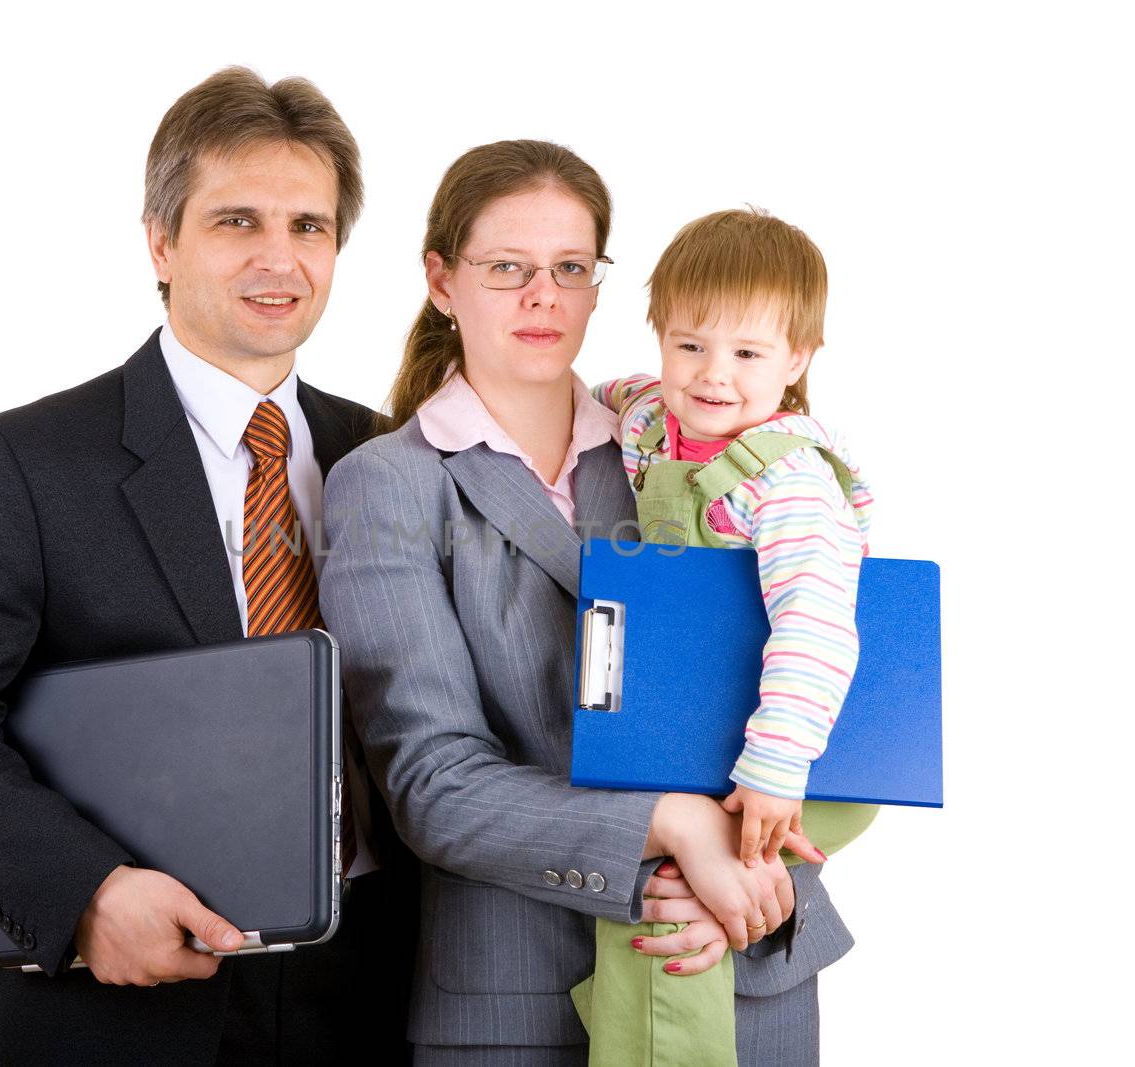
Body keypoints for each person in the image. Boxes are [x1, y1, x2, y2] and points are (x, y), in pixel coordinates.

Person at [0, 67, 416, 1064]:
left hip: (367, 993)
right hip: (120, 1004)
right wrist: (88, 891)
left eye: (310, 226)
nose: (279, 258)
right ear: (161, 241)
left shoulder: (392, 458)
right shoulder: (29, 460)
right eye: (237, 221)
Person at [317, 141, 854, 1065]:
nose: (544, 296)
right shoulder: (389, 486)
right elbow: (434, 783)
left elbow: (825, 674)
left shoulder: (698, 448)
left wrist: (747, 877)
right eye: (507, 269)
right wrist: (676, 826)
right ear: (441, 280)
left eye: (571, 268)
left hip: (741, 968)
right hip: (517, 1005)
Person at [577, 208, 880, 1064]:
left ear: (799, 360)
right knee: (667, 896)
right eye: (690, 346)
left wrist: (777, 767)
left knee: (701, 887)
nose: (713, 376)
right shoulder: (646, 417)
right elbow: (595, 393)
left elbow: (817, 624)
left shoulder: (788, 480)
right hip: (702, 732)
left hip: (798, 754)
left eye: (747, 354)